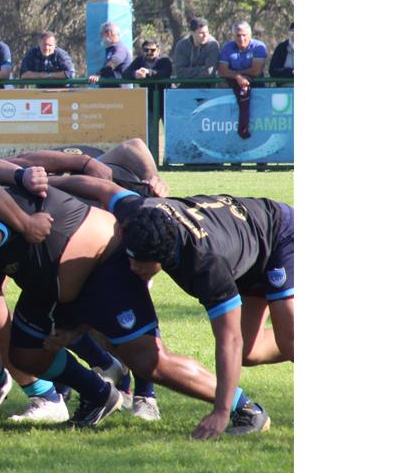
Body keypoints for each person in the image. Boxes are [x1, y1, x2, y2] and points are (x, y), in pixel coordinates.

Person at [51, 175, 288, 439]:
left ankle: (243, 410)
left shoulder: (206, 264)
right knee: (251, 353)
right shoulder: (139, 213)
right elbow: (100, 187)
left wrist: (221, 412)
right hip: (246, 250)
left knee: (289, 342)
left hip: (278, 234)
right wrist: (50, 183)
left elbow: (229, 340)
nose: (132, 267)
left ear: (164, 257)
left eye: (140, 263)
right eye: (130, 257)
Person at [217, 21, 268, 140]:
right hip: (233, 82)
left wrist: (236, 73)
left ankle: (247, 131)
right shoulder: (228, 47)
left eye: (244, 35)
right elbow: (222, 70)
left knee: (258, 113)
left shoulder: (258, 46)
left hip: (256, 82)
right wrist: (237, 76)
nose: (241, 38)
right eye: (238, 35)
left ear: (250, 35)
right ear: (233, 36)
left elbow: (256, 71)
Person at [171, 16, 221, 80]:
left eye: (207, 32)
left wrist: (189, 71)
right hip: (186, 86)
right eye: (201, 33)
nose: (205, 35)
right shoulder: (181, 45)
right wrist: (202, 69)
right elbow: (179, 72)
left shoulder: (213, 45)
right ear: (192, 33)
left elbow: (209, 72)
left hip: (208, 86)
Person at [87, 21, 132, 85]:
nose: (100, 37)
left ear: (109, 33)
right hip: (109, 89)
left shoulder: (120, 49)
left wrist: (98, 74)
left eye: (101, 34)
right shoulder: (110, 49)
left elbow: (113, 63)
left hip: (119, 91)